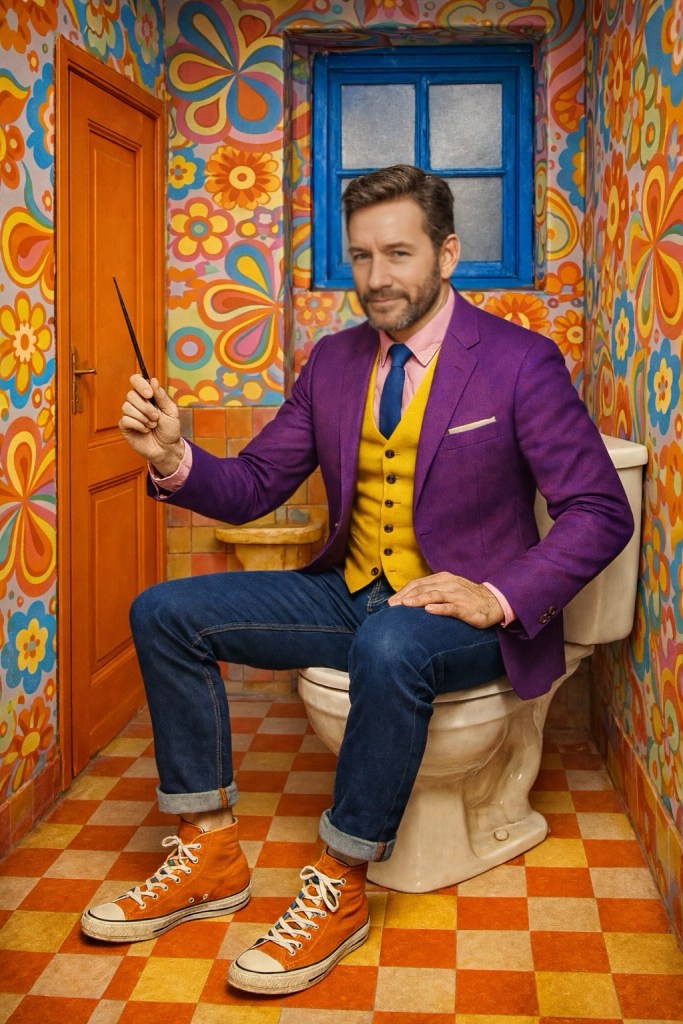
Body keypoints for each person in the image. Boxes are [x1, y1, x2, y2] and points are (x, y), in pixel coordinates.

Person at [81, 165, 633, 995]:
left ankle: (340, 883)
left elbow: (598, 509)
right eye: (361, 256)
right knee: (163, 612)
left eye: (398, 253)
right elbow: (254, 485)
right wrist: (172, 456)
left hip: (467, 620)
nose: (376, 277)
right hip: (353, 592)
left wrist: (494, 596)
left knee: (391, 644)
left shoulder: (519, 360)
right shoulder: (333, 362)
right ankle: (208, 851)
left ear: (446, 253)